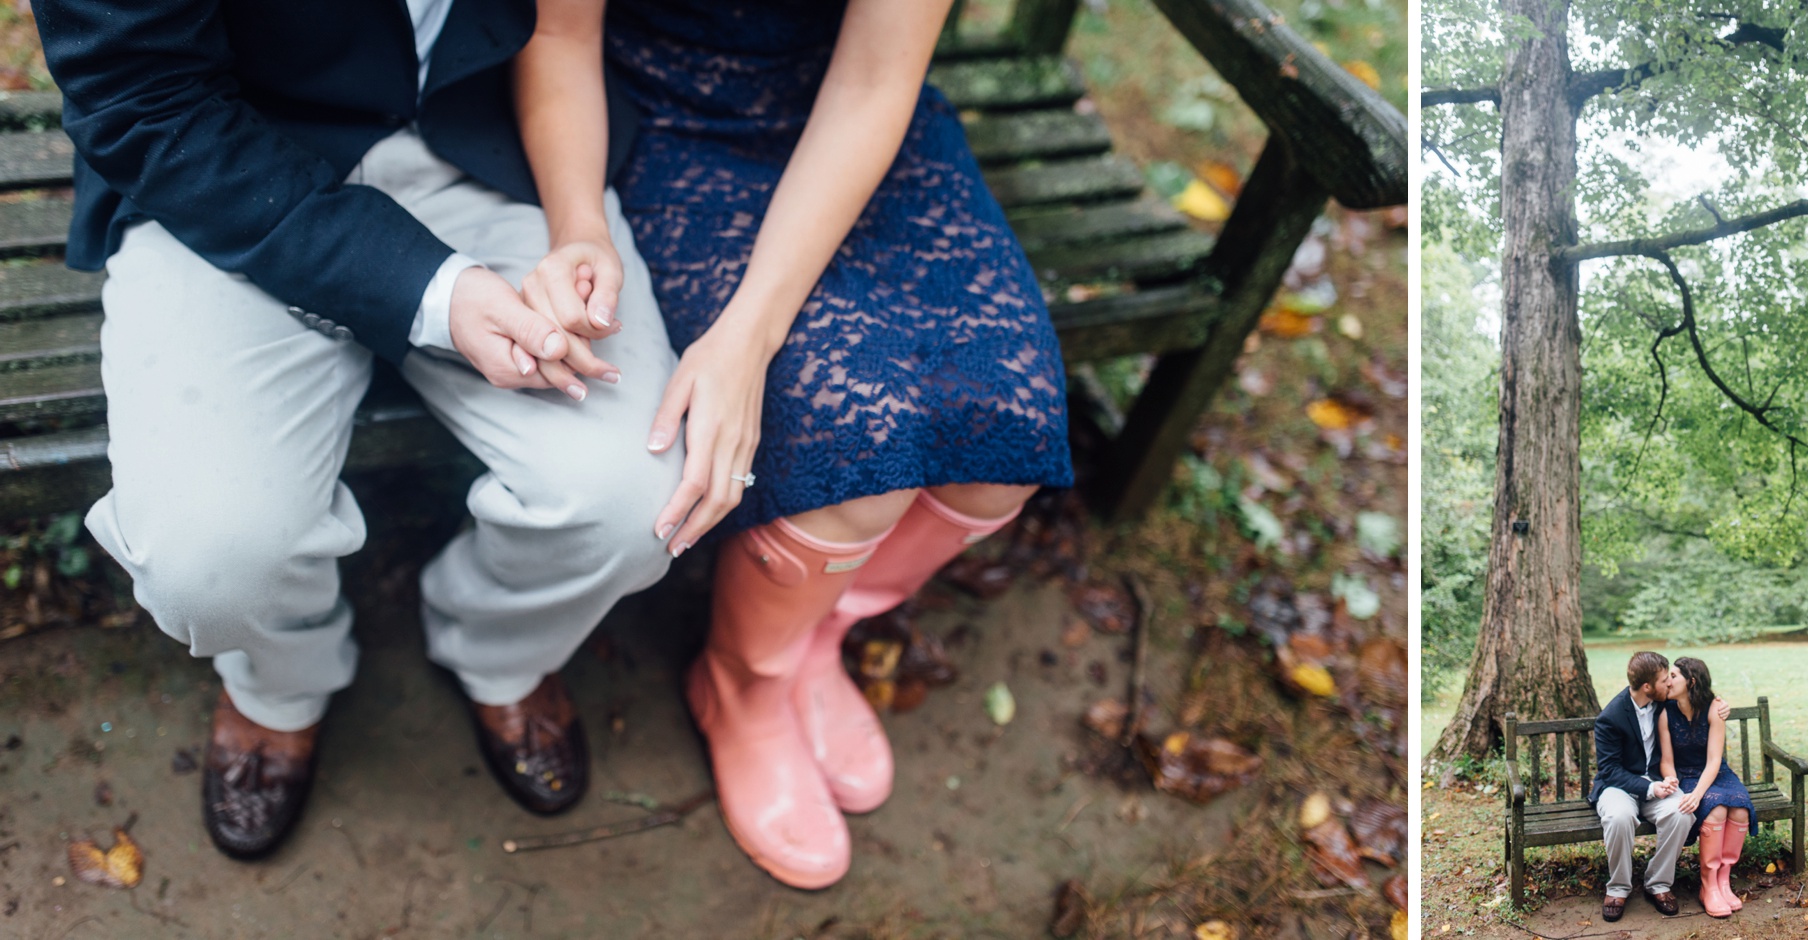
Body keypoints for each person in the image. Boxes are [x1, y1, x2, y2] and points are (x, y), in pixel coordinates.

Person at [33, 0, 684, 858]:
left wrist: (580, 230)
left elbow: (561, 30)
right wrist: (433, 294)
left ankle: (499, 650)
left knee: (637, 498)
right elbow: (141, 98)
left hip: (487, 146)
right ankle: (280, 683)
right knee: (209, 555)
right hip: (228, 164)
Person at [512, 0, 1073, 889]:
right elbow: (560, 36)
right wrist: (580, 225)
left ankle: (818, 638)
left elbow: (875, 78)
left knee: (1001, 436)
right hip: (661, 120)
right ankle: (744, 684)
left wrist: (750, 333)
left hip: (860, 112)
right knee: (854, 464)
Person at [1591, 651, 1729, 921]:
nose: (1669, 684)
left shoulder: (1663, 704)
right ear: (1647, 687)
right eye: (1665, 680)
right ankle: (1618, 888)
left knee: (1682, 813)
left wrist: (1723, 704)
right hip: (1619, 787)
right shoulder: (1610, 717)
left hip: (1658, 782)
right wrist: (1650, 789)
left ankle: (1658, 884)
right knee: (1619, 817)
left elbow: (1698, 698)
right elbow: (1609, 771)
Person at [1658, 656, 1757, 918]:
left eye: (1674, 676)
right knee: (1716, 812)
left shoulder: (1714, 708)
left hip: (1716, 773)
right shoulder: (1665, 712)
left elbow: (1714, 760)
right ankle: (1708, 886)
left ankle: (1724, 881)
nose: (1668, 681)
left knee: (1739, 811)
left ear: (1691, 682)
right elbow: (1667, 761)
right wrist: (1675, 785)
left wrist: (1698, 794)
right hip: (1685, 776)